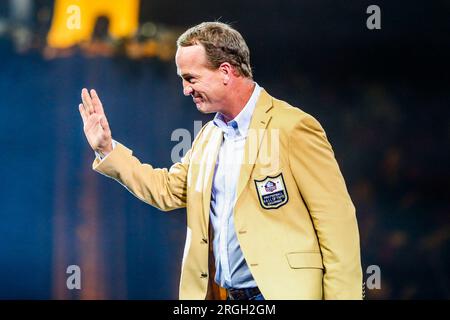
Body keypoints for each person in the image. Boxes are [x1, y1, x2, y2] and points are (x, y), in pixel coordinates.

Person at [78, 21, 362, 300]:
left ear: (225, 71)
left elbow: (337, 222)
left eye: (190, 78)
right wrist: (107, 148)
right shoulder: (207, 137)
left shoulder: (293, 127)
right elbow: (166, 190)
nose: (185, 89)